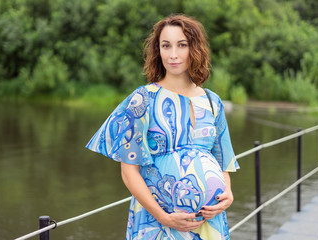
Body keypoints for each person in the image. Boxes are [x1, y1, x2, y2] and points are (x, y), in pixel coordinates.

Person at [86, 14, 240, 240]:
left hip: (209, 223)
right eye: (166, 46)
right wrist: (163, 217)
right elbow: (129, 172)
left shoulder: (212, 101)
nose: (173, 55)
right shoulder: (143, 99)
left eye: (182, 45)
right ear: (158, 51)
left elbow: (222, 161)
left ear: (195, 48)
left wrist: (228, 194)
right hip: (157, 223)